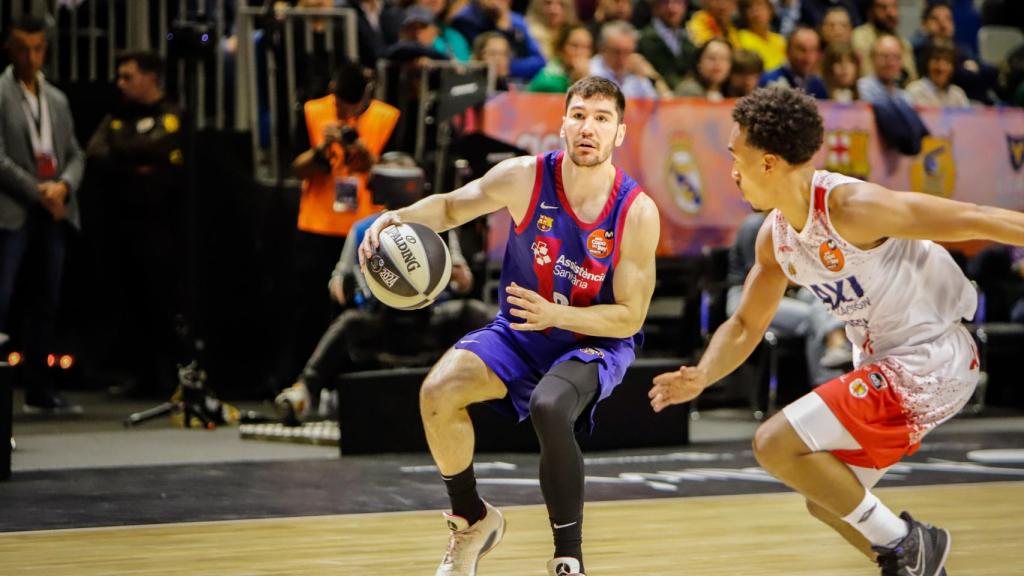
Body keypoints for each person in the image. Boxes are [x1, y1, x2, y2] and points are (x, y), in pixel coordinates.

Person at [650, 86, 1024, 575]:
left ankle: (911, 544)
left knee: (774, 443)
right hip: (886, 363)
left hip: (930, 357)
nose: (732, 171)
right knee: (825, 496)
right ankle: (916, 564)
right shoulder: (775, 237)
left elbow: (979, 218)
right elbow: (744, 324)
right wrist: (702, 374)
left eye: (735, 157)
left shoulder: (853, 207)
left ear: (767, 162)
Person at [358, 76, 660, 576]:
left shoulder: (636, 211)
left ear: (619, 134)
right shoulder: (524, 177)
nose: (589, 128)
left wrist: (557, 315)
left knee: (549, 405)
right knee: (437, 392)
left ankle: (569, 558)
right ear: (563, 123)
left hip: (593, 341)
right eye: (580, 115)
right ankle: (472, 519)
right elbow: (453, 207)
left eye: (602, 119)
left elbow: (631, 316)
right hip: (521, 331)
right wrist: (395, 218)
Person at [275, 153, 490, 422]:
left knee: (475, 312)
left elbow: (465, 282)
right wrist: (346, 285)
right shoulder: (363, 229)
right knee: (348, 322)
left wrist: (453, 275)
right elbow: (338, 282)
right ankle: (304, 391)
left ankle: (518, 375)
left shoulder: (440, 228)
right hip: (381, 320)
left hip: (430, 317)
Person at [282, 61, 399, 390]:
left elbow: (396, 176)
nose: (347, 109)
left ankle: (350, 386)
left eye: (354, 103)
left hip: (366, 227)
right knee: (309, 311)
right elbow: (296, 168)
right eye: (341, 102)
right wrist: (323, 148)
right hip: (318, 225)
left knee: (361, 313)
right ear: (333, 90)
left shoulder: (386, 117)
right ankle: (303, 383)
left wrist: (364, 153)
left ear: (367, 95)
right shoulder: (313, 112)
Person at [85, 51, 186, 398]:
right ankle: (141, 374)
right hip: (123, 223)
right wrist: (137, 162)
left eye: (128, 76)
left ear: (150, 78)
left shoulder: (172, 113)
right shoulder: (117, 116)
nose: (120, 83)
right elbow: (96, 152)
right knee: (131, 300)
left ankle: (170, 376)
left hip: (164, 226)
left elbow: (162, 147)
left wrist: (125, 154)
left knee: (163, 301)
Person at [0, 15, 85, 413]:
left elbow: (75, 153)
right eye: (23, 48)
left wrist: (63, 187)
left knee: (45, 301)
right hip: (15, 208)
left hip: (54, 208)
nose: (31, 57)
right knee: (2, 299)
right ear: (9, 50)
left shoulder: (56, 99)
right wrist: (38, 191)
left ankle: (40, 388)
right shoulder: (0, 93)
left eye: (37, 49)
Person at [590, 21, 671, 99]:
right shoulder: (590, 72)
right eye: (616, 52)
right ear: (602, 49)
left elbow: (664, 104)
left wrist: (653, 76)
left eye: (627, 52)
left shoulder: (637, 73)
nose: (621, 58)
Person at [636, 0, 696, 89]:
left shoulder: (688, 37)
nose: (671, 8)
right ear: (656, 6)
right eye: (665, 2)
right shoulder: (644, 38)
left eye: (678, 2)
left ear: (685, 6)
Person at [851, 0, 917, 81]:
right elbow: (865, 74)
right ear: (871, 11)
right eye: (883, 7)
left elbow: (911, 78)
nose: (891, 13)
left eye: (894, 6)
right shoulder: (859, 37)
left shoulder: (904, 43)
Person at [758, 26, 829, 99]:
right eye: (801, 49)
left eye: (813, 50)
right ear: (788, 50)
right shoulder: (771, 81)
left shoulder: (818, 84)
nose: (808, 57)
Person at [529, 25, 594, 93]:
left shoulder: (593, 73)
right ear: (561, 49)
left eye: (587, 47)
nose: (580, 52)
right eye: (575, 46)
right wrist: (581, 80)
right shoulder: (549, 81)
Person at [906, 43, 970, 107]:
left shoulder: (957, 94)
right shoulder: (914, 90)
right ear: (927, 63)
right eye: (936, 60)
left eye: (947, 62)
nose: (941, 68)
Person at [675, 37, 733, 101]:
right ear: (698, 63)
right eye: (712, 58)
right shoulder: (689, 90)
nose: (718, 63)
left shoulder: (731, 92)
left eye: (724, 58)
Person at [736, 0, 786, 72]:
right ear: (744, 14)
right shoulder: (739, 38)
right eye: (749, 8)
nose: (755, 13)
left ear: (770, 10)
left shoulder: (780, 40)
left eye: (759, 6)